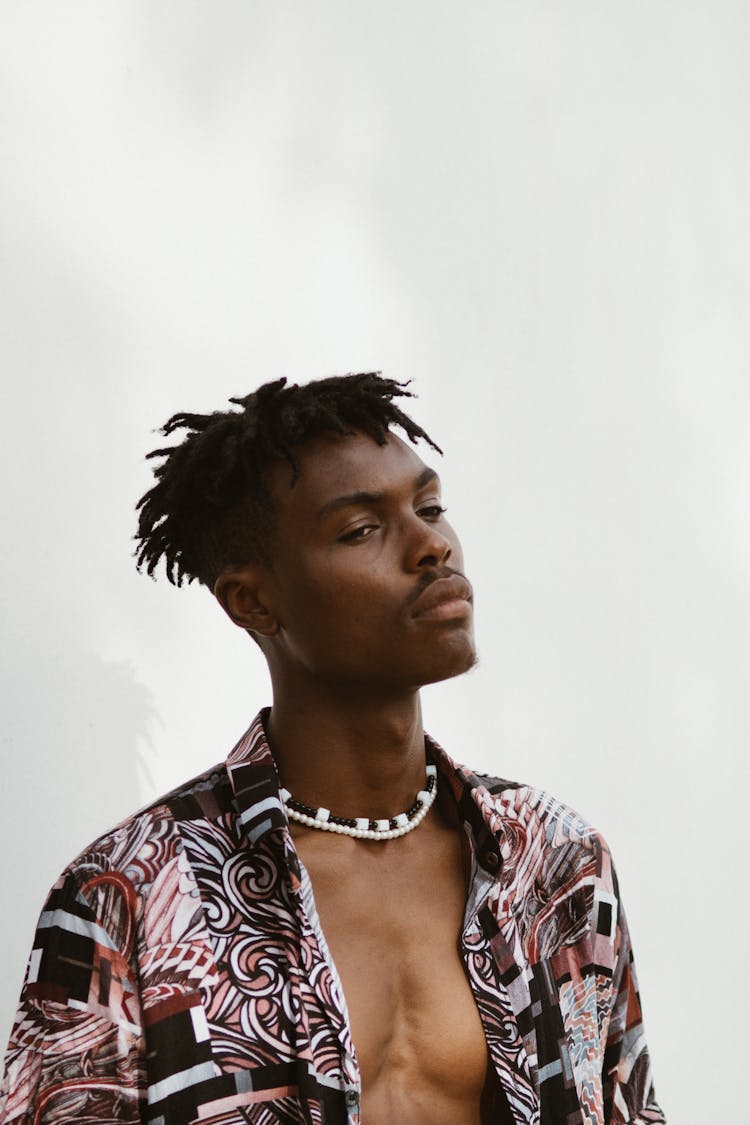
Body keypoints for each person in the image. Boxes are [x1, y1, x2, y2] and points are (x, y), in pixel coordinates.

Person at [0, 374, 665, 1124]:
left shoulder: (557, 866)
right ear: (253, 599)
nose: (431, 545)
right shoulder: (129, 900)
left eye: (431, 506)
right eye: (361, 529)